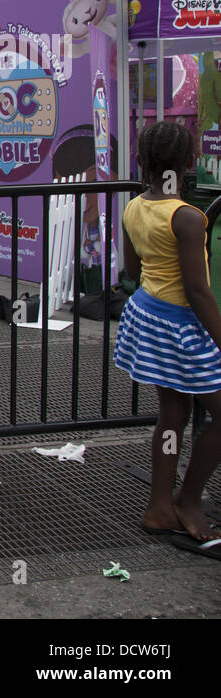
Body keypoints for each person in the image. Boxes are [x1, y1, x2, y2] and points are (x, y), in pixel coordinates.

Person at [115, 120, 221, 553]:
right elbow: (197, 290)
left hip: (148, 315)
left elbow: (133, 271)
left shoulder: (134, 207)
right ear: (188, 162)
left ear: (143, 161)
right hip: (180, 324)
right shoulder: (189, 217)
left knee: (172, 415)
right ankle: (190, 498)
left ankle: (160, 507)